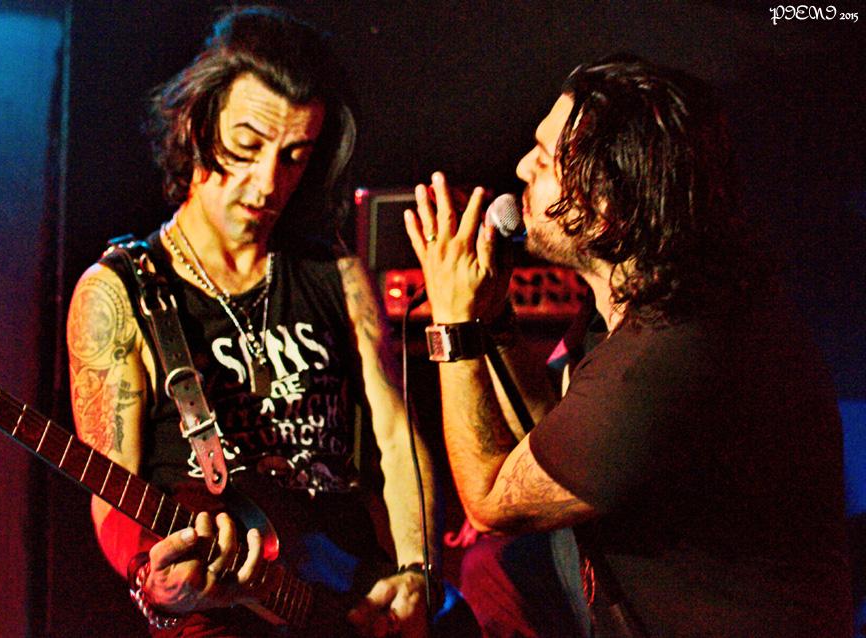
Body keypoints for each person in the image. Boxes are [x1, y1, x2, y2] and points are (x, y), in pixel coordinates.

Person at [404, 55, 852, 637]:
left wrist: (453, 322)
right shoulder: (655, 306)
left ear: (604, 211)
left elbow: (489, 503)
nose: (520, 167)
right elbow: (558, 444)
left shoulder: (664, 358)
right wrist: (494, 321)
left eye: (544, 159)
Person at [66, 7, 439, 636]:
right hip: (224, 606)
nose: (269, 183)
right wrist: (149, 575)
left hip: (346, 592)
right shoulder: (119, 292)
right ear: (198, 123)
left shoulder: (337, 275)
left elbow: (398, 437)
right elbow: (112, 486)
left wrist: (418, 573)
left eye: (295, 156)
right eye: (247, 146)